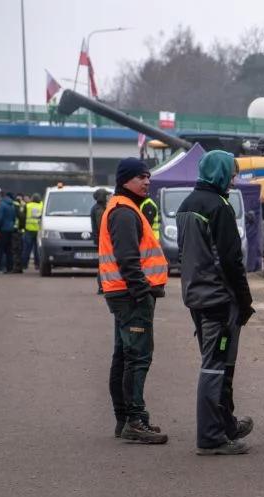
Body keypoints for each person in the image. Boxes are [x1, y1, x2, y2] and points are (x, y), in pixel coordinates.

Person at [176, 150, 255, 456]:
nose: (234, 180)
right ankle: (211, 437)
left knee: (221, 364)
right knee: (215, 367)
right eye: (232, 174)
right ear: (221, 173)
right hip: (219, 300)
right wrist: (245, 299)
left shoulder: (187, 204)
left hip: (196, 296)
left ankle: (226, 423)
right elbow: (231, 261)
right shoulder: (218, 207)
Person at [99, 158, 169, 444]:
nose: (147, 181)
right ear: (125, 180)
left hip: (122, 293)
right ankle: (134, 419)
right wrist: (141, 292)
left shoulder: (123, 208)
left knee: (124, 357)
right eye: (141, 177)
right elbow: (128, 258)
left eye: (148, 176)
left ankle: (125, 419)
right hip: (131, 295)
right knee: (137, 358)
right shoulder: (125, 212)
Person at [0, 191, 17, 273]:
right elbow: (14, 218)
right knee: (9, 250)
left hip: (2, 230)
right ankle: (9, 268)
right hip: (10, 230)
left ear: (1, 196)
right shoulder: (12, 205)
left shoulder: (1, 205)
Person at [22, 193, 43, 271]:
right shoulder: (42, 206)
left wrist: (23, 227)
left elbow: (23, 217)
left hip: (29, 230)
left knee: (27, 249)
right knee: (37, 249)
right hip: (38, 230)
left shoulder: (28, 206)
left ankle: (24, 265)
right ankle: (37, 265)